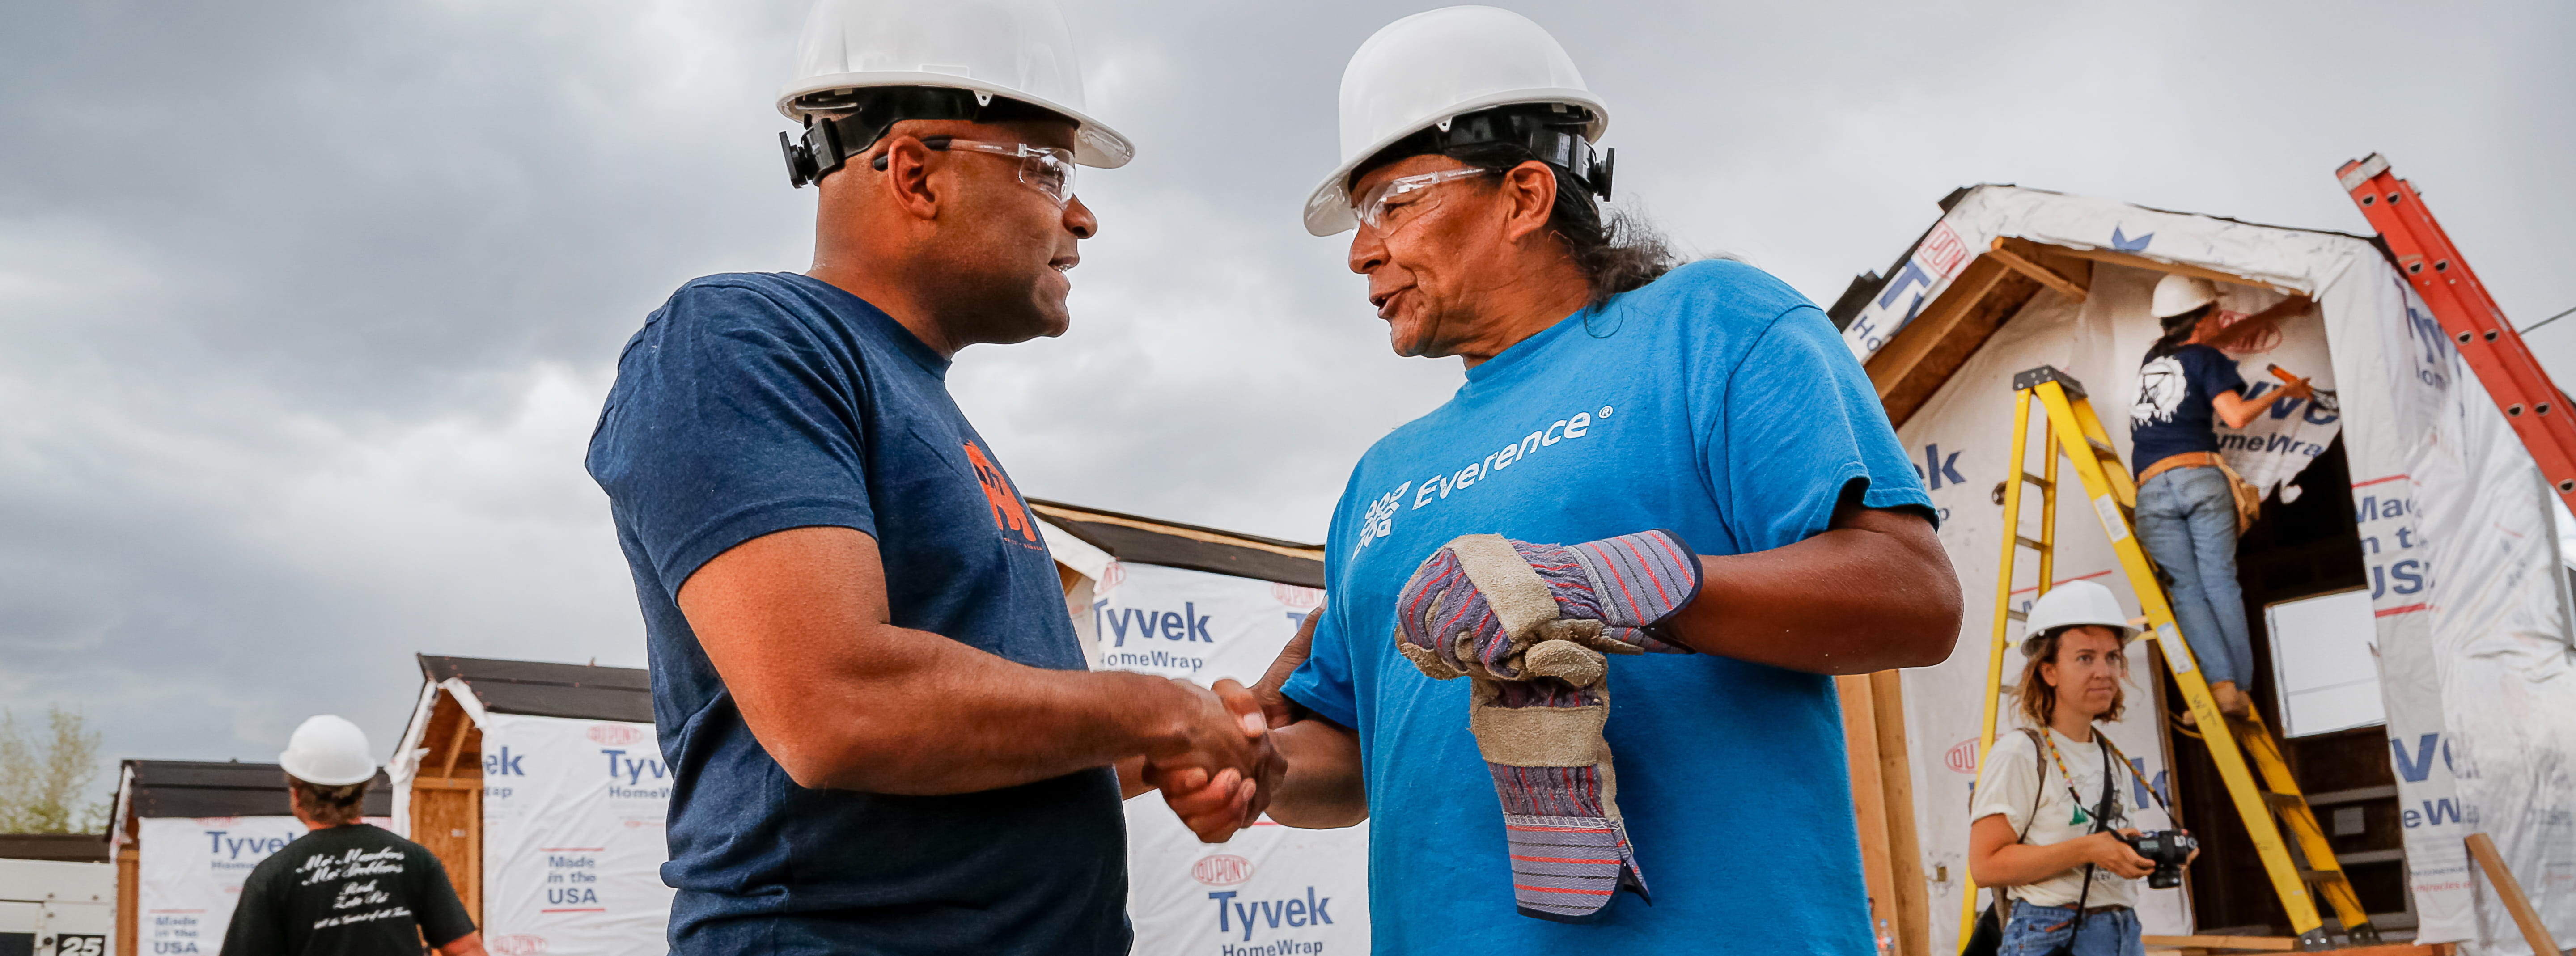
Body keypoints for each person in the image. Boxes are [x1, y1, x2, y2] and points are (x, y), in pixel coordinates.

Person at [1205, 8, 1962, 952]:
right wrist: (1253, 763)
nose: (1360, 251)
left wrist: (1611, 586)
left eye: (1393, 206)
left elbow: (1914, 597)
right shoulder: (1380, 479)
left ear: (1524, 195)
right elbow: (1353, 757)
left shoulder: (1710, 326)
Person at [584, 1, 1271, 952]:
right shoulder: (740, 343)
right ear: (914, 172)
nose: (1083, 214)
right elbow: (837, 705)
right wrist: (1157, 707)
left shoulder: (928, 408)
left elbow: (942, 762)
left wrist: (1156, 748)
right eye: (1048, 167)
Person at [1967, 581, 2195, 956]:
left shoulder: (2110, 755)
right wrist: (2090, 849)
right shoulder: (2020, 754)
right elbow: (1986, 865)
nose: (2105, 671)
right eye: (2086, 658)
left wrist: (2145, 852)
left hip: (2122, 930)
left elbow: (2100, 849)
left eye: (2113, 657)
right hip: (2049, 932)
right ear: (2049, 671)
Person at [2127, 274, 2313, 719]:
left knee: (2188, 590)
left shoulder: (2156, 356)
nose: (2220, 320)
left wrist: (2279, 312)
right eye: (2215, 312)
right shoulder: (2205, 358)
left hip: (2152, 487)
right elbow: (2234, 416)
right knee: (2219, 583)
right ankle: (2239, 690)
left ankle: (2222, 685)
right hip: (2199, 477)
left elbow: (2206, 344)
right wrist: (2287, 391)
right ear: (2202, 318)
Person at [220, 715, 484, 956]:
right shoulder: (414, 860)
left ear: (297, 793)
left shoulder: (273, 878)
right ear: (362, 788)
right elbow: (466, 951)